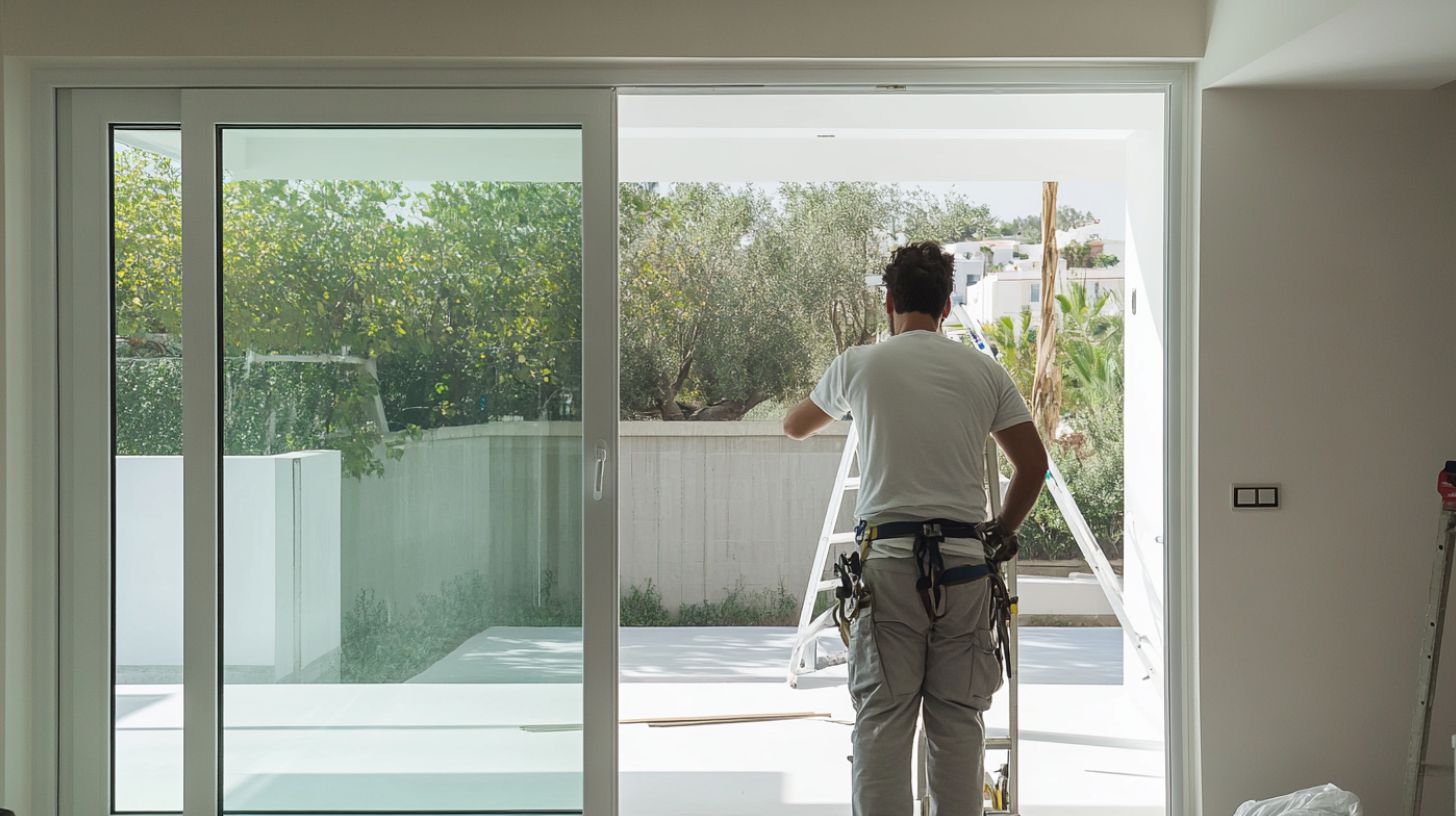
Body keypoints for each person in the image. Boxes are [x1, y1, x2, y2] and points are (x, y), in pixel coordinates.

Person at [782, 241, 1049, 816]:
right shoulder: (984, 371)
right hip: (965, 565)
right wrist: (1001, 533)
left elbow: (795, 426)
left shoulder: (859, 364)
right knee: (957, 724)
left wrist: (854, 396)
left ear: (889, 302)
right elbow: (1033, 465)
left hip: (890, 567)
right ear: (946, 306)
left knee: (882, 723)